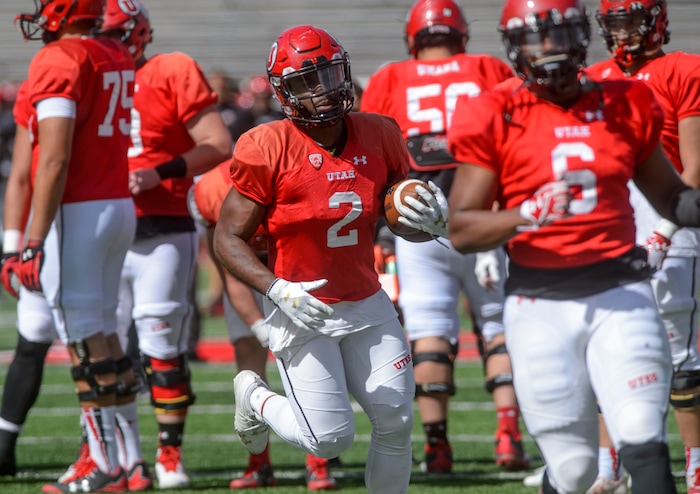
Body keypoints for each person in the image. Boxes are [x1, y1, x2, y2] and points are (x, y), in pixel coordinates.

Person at [444, 0, 698, 490]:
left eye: (557, 35)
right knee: (576, 471)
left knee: (645, 442)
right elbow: (461, 229)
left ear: (581, 37)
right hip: (540, 303)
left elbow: (671, 196)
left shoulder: (627, 101)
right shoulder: (493, 110)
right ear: (512, 47)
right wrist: (524, 215)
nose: (546, 49)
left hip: (621, 292)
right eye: (533, 38)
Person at [213, 25, 447, 494]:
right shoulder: (266, 146)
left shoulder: (381, 133)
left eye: (329, 74)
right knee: (327, 439)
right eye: (305, 82)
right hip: (301, 305)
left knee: (398, 420)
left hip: (365, 299)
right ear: (284, 92)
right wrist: (276, 289)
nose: (322, 91)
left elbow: (394, 214)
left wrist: (427, 218)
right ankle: (255, 396)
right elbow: (227, 238)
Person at [360, 0, 528, 474]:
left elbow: (373, 155)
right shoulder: (487, 68)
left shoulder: (392, 78)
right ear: (461, 34)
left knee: (430, 336)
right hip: (483, 220)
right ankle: (507, 436)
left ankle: (437, 447)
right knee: (497, 331)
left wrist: (381, 229)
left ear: (414, 36)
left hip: (417, 225)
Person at [93, 0, 232, 489]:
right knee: (102, 349)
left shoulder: (171, 69)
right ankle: (118, 455)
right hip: (101, 230)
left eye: (106, 32)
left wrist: (159, 172)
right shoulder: (85, 72)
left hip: (162, 226)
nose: (100, 42)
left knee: (161, 348)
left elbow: (218, 143)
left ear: (136, 32)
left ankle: (169, 454)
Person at [11, 0, 141, 492]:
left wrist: (32, 239)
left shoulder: (57, 58)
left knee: (84, 341)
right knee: (103, 334)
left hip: (79, 210)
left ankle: (101, 462)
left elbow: (55, 159)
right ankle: (126, 458)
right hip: (117, 204)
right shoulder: (114, 51)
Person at [583, 1, 700, 493]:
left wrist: (664, 232)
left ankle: (695, 464)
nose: (622, 33)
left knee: (681, 354)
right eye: (614, 24)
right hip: (610, 220)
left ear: (656, 23)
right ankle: (609, 467)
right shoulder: (593, 76)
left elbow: (694, 166)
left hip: (670, 219)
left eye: (630, 22)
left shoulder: (683, 69)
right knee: (605, 346)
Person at [188, 160, 337, 490]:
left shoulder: (294, 175)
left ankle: (318, 462)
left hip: (299, 270)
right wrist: (257, 325)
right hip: (249, 275)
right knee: (247, 359)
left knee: (310, 361)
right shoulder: (212, 190)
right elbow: (229, 268)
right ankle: (259, 464)